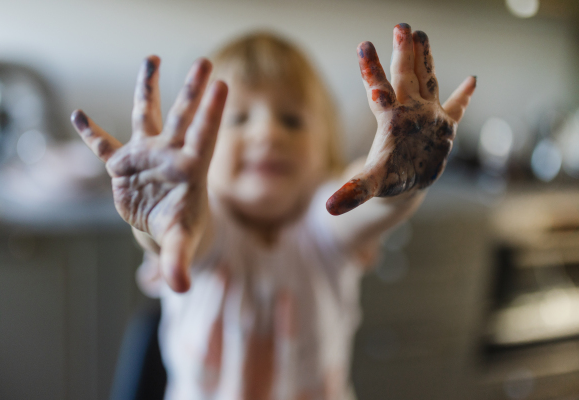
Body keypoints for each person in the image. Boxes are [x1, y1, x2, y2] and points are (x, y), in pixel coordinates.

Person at [71, 23, 476, 400]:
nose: (267, 132)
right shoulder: (207, 226)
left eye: (292, 119)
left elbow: (362, 206)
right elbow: (182, 231)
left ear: (326, 147)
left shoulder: (323, 228)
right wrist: (161, 211)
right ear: (198, 154)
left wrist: (394, 180)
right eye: (239, 118)